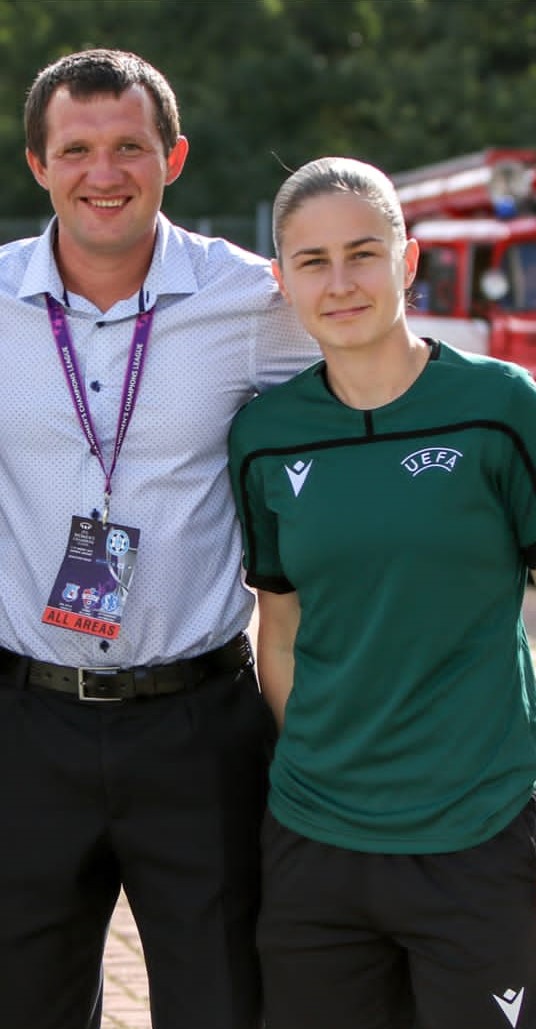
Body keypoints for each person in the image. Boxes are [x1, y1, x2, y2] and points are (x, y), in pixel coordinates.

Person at [0, 48, 318, 1029]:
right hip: (25, 725)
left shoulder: (254, 300)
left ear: (172, 157)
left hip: (199, 727)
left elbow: (375, 376)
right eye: (77, 149)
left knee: (222, 1003)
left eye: (129, 146)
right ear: (38, 163)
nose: (104, 172)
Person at [228, 156, 536, 1029]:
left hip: (479, 829)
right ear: (282, 281)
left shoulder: (502, 408)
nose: (341, 282)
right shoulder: (264, 436)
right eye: (313, 261)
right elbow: (278, 628)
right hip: (315, 837)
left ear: (408, 261)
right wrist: (331, 761)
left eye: (363, 253)